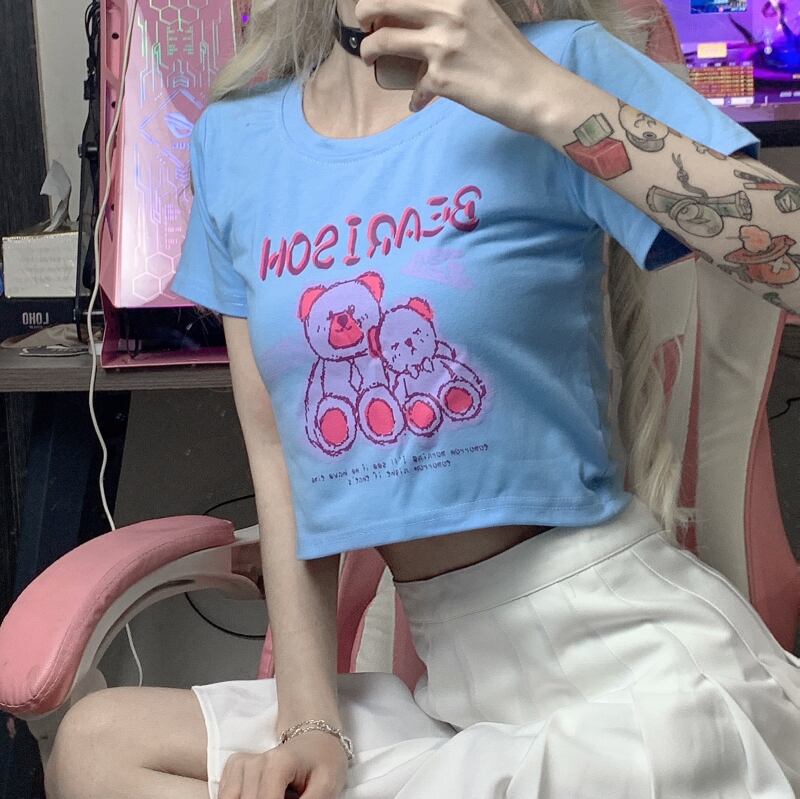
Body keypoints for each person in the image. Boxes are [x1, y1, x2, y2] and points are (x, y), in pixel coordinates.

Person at [44, 0, 800, 797]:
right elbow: (281, 460)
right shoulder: (236, 142)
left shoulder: (559, 61)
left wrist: (536, 90)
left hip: (631, 672)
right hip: (454, 695)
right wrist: (309, 721)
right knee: (95, 748)